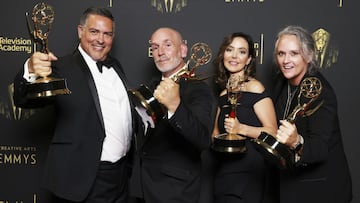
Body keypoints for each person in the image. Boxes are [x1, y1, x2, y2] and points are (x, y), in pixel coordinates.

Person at [13, 7, 139, 203]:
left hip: (120, 178)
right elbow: (23, 99)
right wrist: (29, 70)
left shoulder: (116, 66)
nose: (100, 39)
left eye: (107, 34)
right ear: (81, 31)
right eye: (94, 31)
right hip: (82, 180)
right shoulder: (60, 67)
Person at [129, 27, 216, 203]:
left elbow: (202, 139)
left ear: (183, 50)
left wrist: (175, 105)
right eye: (155, 47)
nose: (160, 52)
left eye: (167, 45)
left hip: (175, 190)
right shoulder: (152, 86)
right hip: (141, 186)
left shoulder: (198, 89)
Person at [272, 25, 352, 202]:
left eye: (294, 53)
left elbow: (320, 148)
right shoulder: (281, 83)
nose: (286, 60)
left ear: (309, 56)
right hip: (292, 185)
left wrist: (296, 142)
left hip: (322, 190)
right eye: (281, 53)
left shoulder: (320, 91)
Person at [211, 32, 278, 203]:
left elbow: (272, 132)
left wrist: (242, 129)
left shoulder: (255, 87)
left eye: (241, 52)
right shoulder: (224, 93)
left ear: (248, 59)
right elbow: (216, 134)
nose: (234, 56)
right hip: (224, 171)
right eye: (230, 50)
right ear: (223, 54)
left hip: (249, 173)